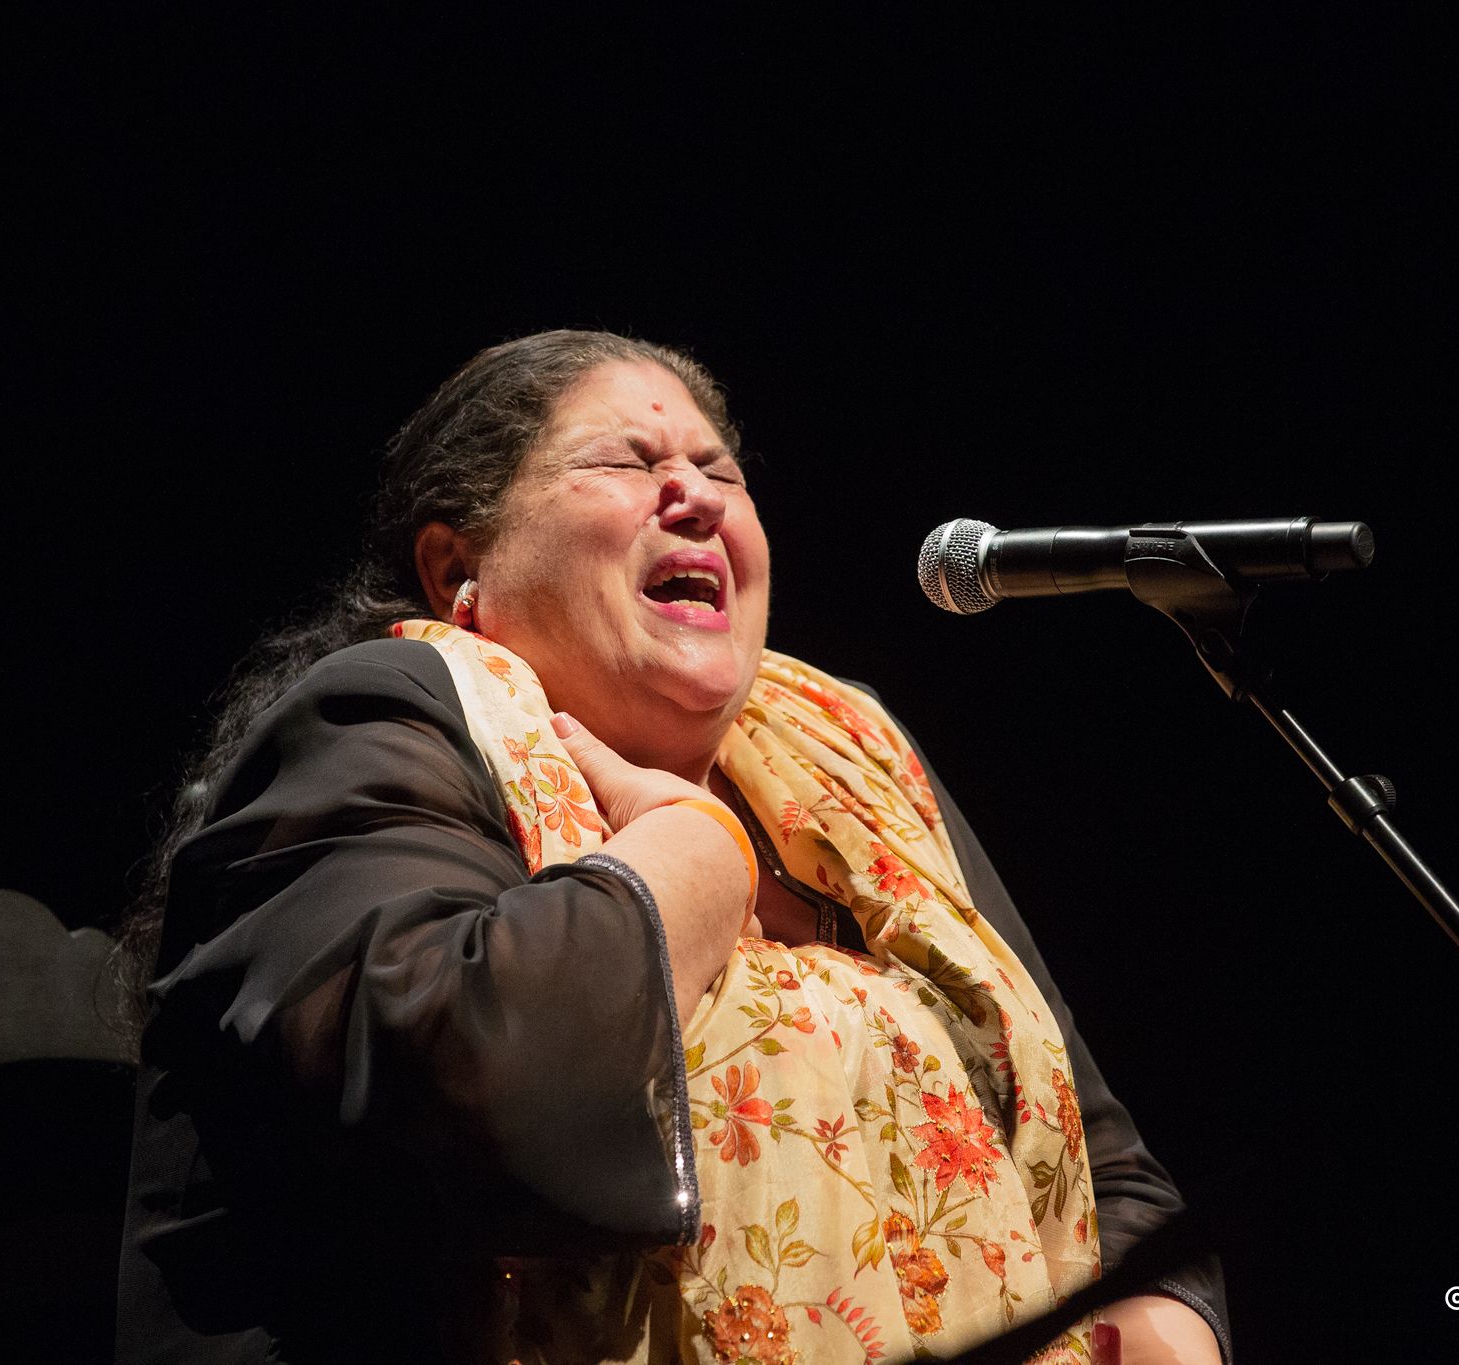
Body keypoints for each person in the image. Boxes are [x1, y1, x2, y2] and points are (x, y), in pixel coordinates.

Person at [116, 330, 1231, 1364]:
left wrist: (1170, 1321)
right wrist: (697, 851)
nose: (692, 495)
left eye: (719, 471)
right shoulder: (383, 712)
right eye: (625, 461)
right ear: (457, 571)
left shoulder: (851, 761)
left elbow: (1104, 1164)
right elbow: (483, 1088)